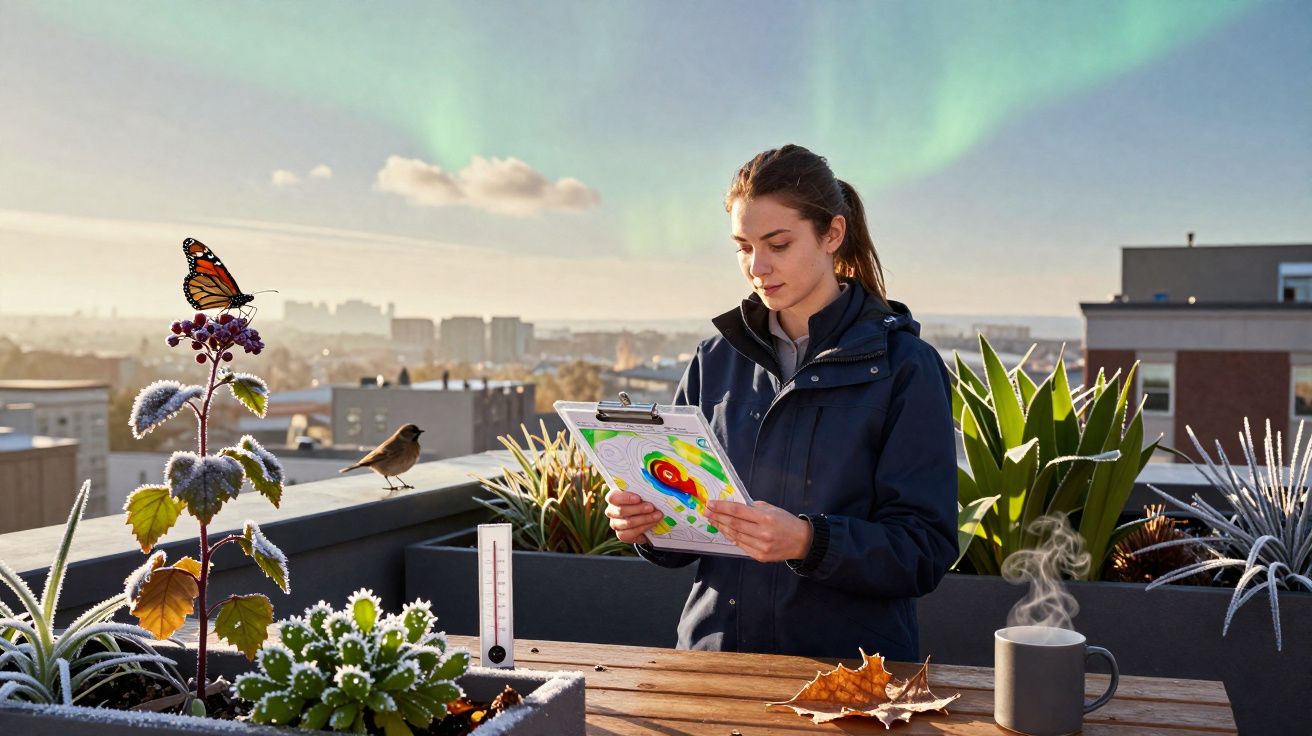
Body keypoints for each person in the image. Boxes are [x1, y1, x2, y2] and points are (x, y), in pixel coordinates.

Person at [604, 144, 957, 661]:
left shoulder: (906, 366)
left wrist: (808, 542)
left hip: (849, 674)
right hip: (714, 664)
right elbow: (687, 533)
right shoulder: (714, 359)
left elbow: (924, 550)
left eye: (778, 243)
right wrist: (647, 525)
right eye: (743, 246)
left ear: (832, 234)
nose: (757, 266)